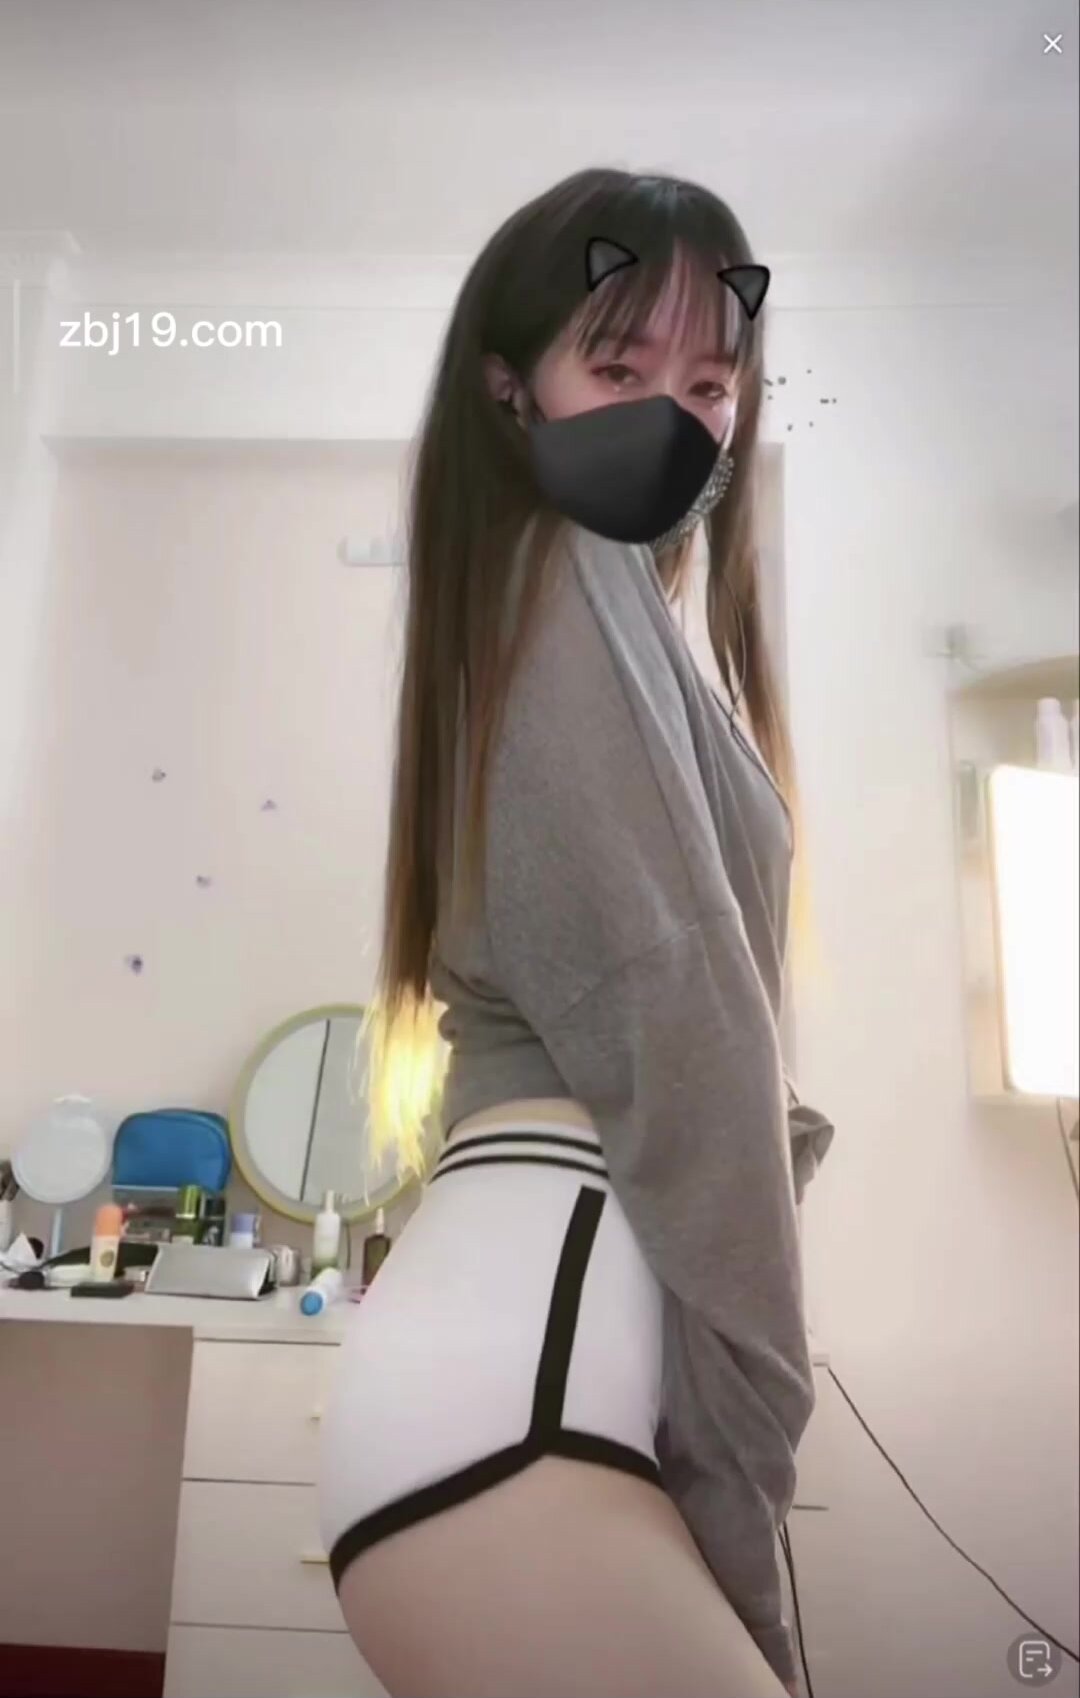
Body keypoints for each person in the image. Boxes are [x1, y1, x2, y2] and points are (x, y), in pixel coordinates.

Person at [318, 166, 835, 1698]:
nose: (674, 417)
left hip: (515, 1360)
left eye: (710, 385)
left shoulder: (547, 606)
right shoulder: (569, 571)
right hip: (532, 1389)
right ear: (510, 389)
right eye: (618, 368)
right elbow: (691, 1034)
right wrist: (745, 1489)